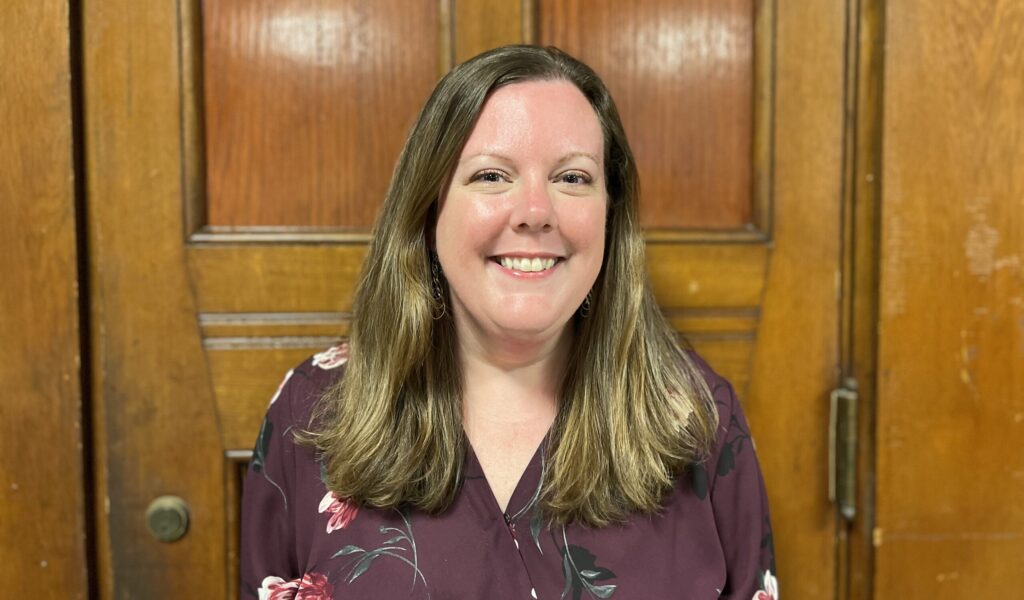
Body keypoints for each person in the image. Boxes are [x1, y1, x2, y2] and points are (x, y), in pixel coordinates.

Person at [241, 45, 777, 600]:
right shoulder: (313, 412)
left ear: (610, 217)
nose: (535, 211)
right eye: (493, 175)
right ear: (428, 211)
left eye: (572, 178)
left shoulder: (696, 417)